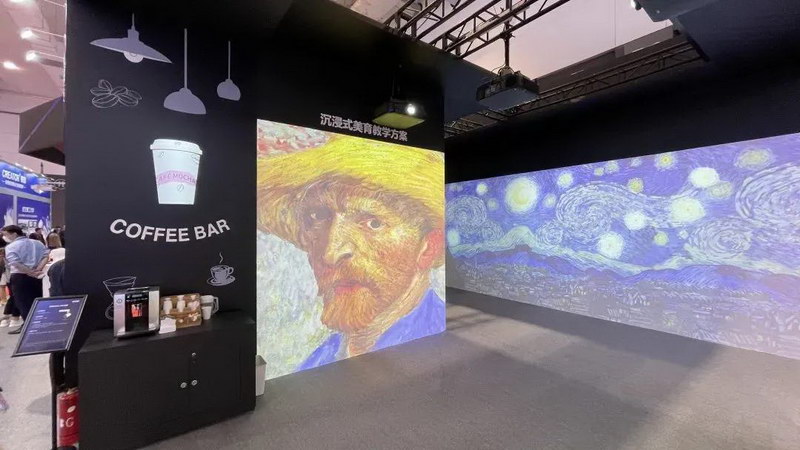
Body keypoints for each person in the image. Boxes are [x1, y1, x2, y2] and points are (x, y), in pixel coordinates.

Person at [258, 137, 445, 370]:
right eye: (318, 216)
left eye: (373, 223)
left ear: (428, 248)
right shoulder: (320, 360)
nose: (331, 253)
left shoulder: (434, 348)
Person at [2, 225, 48, 334]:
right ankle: (36, 325)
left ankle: (29, 328)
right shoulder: (38, 243)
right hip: (36, 277)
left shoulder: (11, 247)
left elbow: (15, 263)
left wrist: (29, 272)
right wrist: (37, 270)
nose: (4, 237)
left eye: (5, 235)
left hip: (20, 277)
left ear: (14, 234)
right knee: (36, 301)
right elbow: (45, 256)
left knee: (23, 303)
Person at [0, 241, 22, 329]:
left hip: (9, 278)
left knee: (13, 297)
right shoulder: (10, 256)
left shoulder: (3, 256)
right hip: (15, 277)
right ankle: (14, 318)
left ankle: (7, 317)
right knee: (16, 297)